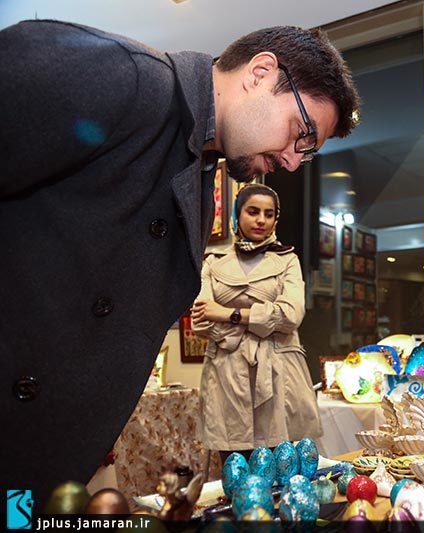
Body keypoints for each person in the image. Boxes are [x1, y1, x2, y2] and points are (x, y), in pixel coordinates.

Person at [0, 20, 358, 502]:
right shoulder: (125, 76)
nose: (294, 162)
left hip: (35, 467)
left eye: (307, 152)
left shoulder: (199, 174)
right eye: (301, 132)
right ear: (260, 73)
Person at [191, 184, 321, 463]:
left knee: (281, 467)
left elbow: (290, 315)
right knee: (234, 464)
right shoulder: (212, 262)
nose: (261, 220)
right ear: (237, 216)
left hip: (278, 372)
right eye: (253, 212)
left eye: (269, 214)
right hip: (227, 374)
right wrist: (262, 323)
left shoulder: (288, 260)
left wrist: (228, 314)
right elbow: (201, 321)